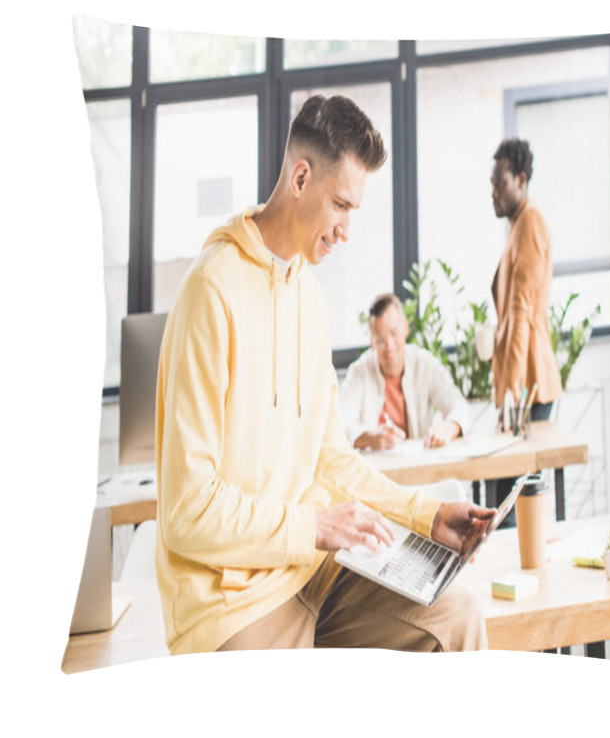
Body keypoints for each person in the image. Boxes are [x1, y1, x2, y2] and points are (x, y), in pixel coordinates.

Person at [155, 94, 492, 655]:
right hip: (231, 602)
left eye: (353, 210)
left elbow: (331, 461)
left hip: (313, 571)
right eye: (341, 205)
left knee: (456, 615)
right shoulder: (210, 292)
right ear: (301, 177)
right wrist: (313, 526)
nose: (345, 230)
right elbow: (187, 513)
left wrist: (428, 515)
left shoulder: (309, 296)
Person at [489, 138, 562, 524]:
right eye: (491, 184)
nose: (493, 193)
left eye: (499, 183)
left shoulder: (530, 221)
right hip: (521, 386)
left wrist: (513, 396)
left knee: (511, 496)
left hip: (529, 385)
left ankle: (518, 576)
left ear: (520, 179)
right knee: (506, 494)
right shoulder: (517, 224)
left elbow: (520, 313)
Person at [339, 293, 471, 451]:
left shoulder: (425, 364)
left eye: (393, 334)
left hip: (418, 468)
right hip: (374, 470)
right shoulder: (358, 373)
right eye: (380, 340)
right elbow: (340, 424)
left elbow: (460, 406)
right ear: (372, 342)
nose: (389, 346)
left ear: (405, 328)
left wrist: (449, 428)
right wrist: (368, 438)